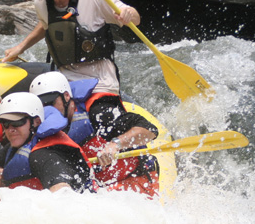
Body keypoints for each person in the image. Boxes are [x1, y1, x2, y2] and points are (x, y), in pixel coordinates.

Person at [3, 0, 140, 95]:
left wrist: (128, 14)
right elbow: (45, 25)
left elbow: (135, 18)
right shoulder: (41, 3)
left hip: (100, 80)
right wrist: (20, 47)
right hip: (65, 82)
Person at [29, 71, 160, 196]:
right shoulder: (40, 129)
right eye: (42, 106)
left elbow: (149, 129)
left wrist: (115, 145)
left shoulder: (98, 113)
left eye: (51, 103)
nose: (48, 110)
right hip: (96, 190)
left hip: (134, 180)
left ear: (66, 96)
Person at [0, 92, 95, 199]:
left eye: (17, 123)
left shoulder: (44, 155)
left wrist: (4, 194)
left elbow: (64, 196)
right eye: (5, 124)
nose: (10, 129)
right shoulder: (18, 145)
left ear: (36, 121)